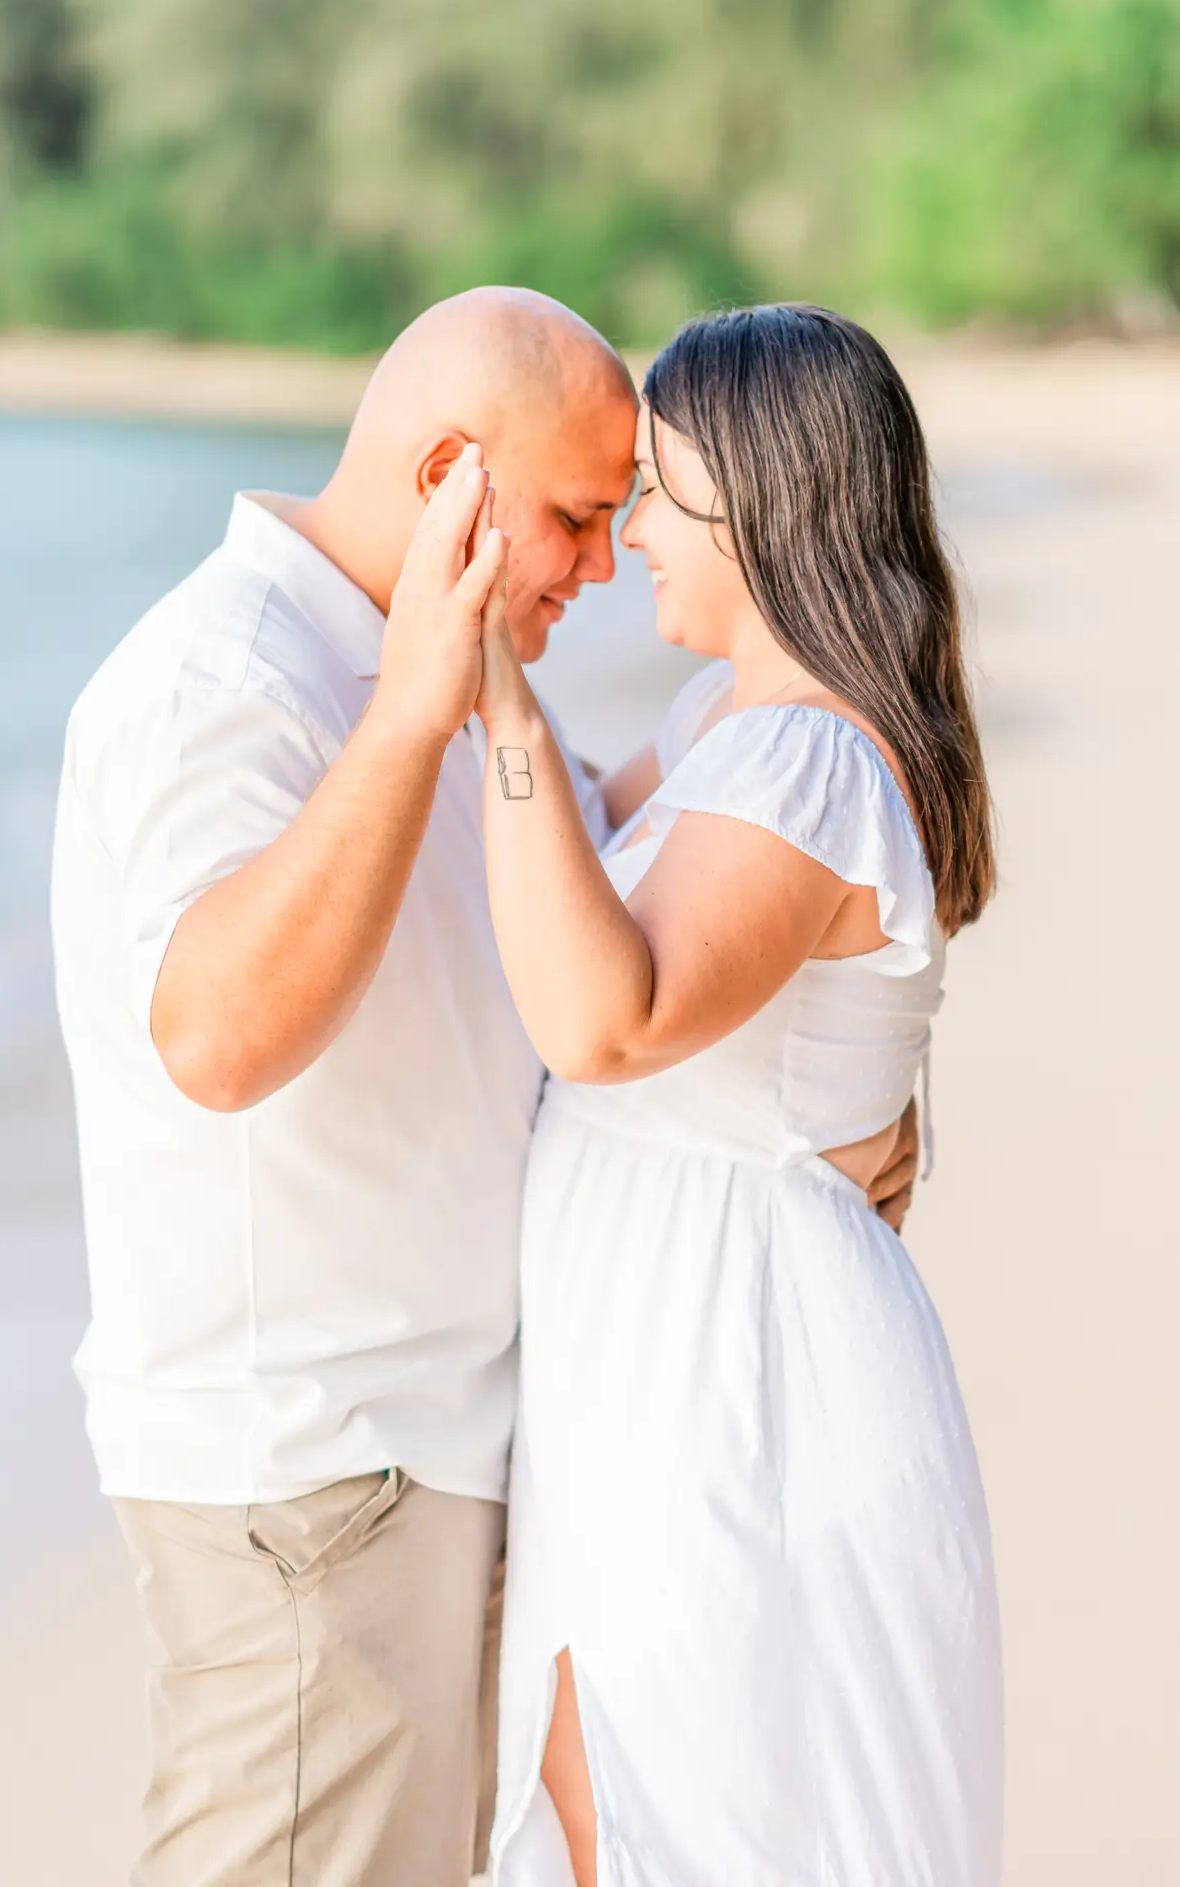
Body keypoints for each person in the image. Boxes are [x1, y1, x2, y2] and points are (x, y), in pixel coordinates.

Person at [51, 287, 919, 1887]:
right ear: (454, 475)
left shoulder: (431, 665)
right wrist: (414, 710)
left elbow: (624, 876)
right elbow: (216, 1037)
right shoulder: (235, 679)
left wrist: (839, 1079)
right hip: (319, 1476)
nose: (600, 567)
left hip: (453, 1454)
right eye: (582, 518)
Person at [466, 305, 1003, 1886]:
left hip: (735, 1375)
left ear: (765, 508)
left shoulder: (815, 764)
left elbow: (607, 1016)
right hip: (664, 1346)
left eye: (659, 496)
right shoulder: (730, 728)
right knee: (605, 1793)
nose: (629, 537)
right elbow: (563, 838)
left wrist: (495, 690)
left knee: (691, 1808)